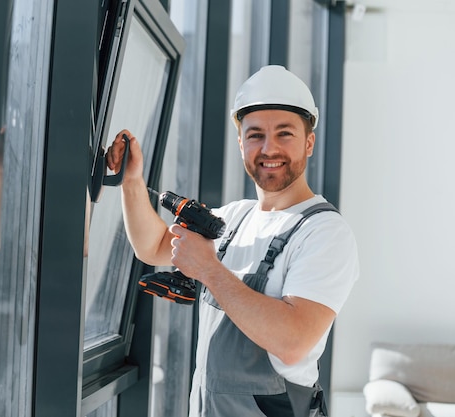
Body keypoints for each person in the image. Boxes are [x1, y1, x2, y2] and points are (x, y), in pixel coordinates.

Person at [105, 65, 359, 417]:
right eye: (255, 135)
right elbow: (154, 247)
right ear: (241, 144)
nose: (269, 148)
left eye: (284, 134)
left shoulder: (324, 233)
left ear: (309, 143)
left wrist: (209, 269)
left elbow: (293, 342)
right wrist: (132, 182)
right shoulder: (236, 218)